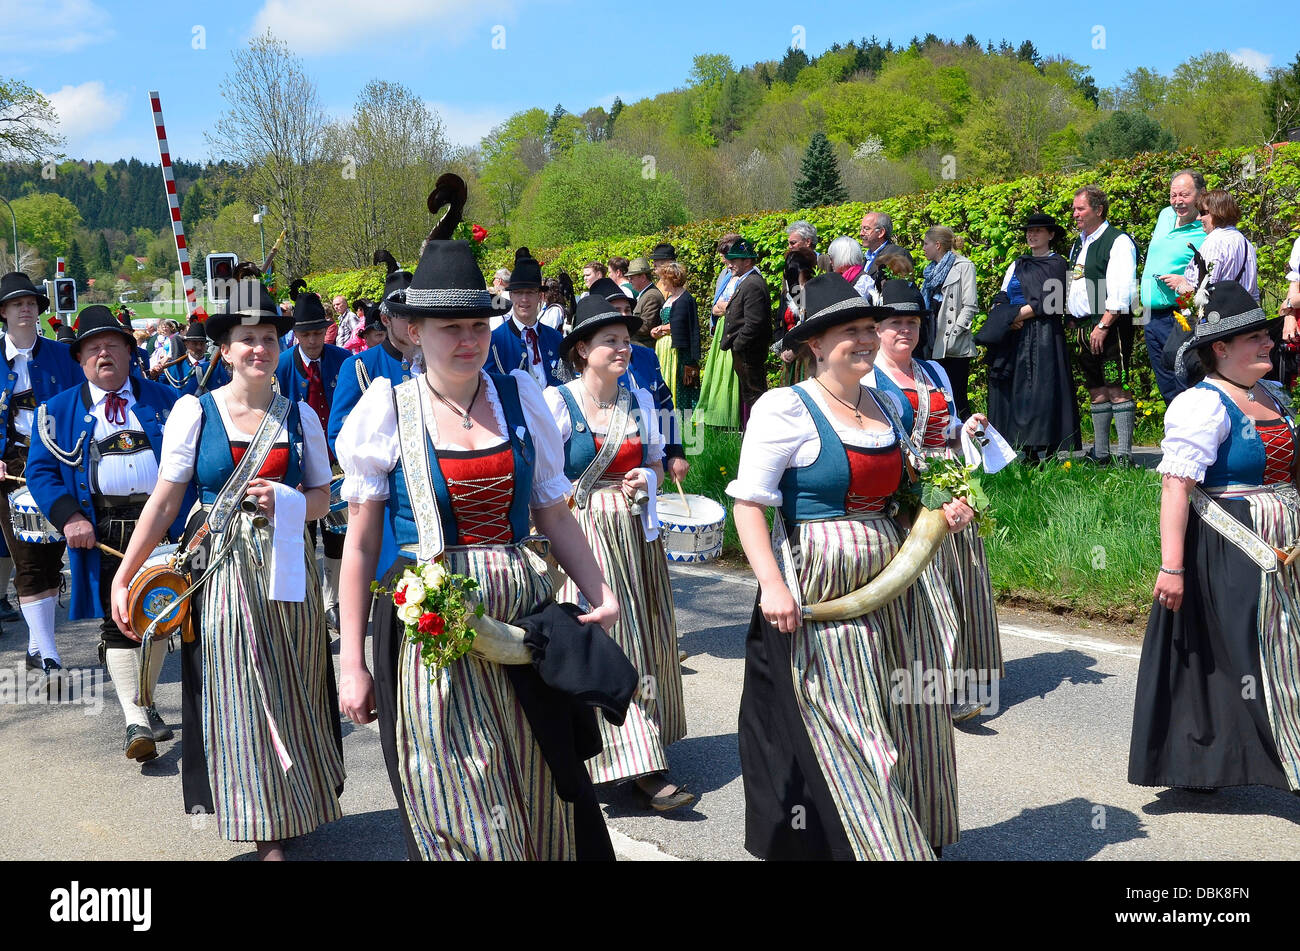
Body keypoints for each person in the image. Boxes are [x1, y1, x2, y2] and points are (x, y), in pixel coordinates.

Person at [334, 237, 626, 860]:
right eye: (450, 328)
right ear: (414, 331)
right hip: (432, 629)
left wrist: (599, 591)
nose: (468, 340)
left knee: (543, 782)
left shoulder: (519, 398)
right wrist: (353, 661)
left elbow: (551, 508)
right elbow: (359, 545)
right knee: (455, 794)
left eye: (477, 325)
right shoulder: (386, 409)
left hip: (524, 625)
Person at [728, 273, 970, 860]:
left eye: (869, 328)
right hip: (824, 585)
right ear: (815, 343)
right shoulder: (784, 407)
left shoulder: (886, 401)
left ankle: (917, 834)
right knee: (855, 727)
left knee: (914, 716)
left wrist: (944, 505)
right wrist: (772, 587)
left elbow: (906, 486)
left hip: (895, 580)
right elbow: (749, 504)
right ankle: (884, 849)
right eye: (849, 331)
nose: (865, 340)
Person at [109, 272, 345, 861]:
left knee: (293, 685)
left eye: (268, 336)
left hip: (287, 570)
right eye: (246, 338)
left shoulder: (301, 418)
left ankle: (294, 804)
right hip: (221, 575)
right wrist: (126, 571)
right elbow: (165, 500)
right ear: (225, 348)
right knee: (238, 690)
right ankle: (261, 824)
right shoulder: (195, 412)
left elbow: (325, 496)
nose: (259, 348)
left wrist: (288, 501)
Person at [1130, 280, 1300, 796]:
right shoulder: (1199, 405)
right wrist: (1173, 567)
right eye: (1255, 338)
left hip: (1286, 543)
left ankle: (1217, 760)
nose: (1268, 343)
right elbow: (1176, 486)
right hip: (1233, 548)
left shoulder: (1273, 394)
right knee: (1259, 652)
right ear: (1220, 350)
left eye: (1266, 335)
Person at [544, 294, 692, 810]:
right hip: (584, 535)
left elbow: (655, 460)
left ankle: (643, 749)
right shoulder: (555, 404)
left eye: (626, 341)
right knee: (612, 639)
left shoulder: (640, 401)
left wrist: (646, 478)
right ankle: (633, 761)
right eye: (610, 341)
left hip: (634, 536)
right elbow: (541, 480)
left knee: (644, 635)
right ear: (582, 349)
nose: (622, 349)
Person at [27, 305, 191, 762]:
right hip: (101, 531)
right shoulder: (55, 413)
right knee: (117, 620)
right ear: (80, 359)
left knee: (157, 619)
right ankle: (136, 719)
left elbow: (194, 463)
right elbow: (41, 472)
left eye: (113, 346)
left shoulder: (168, 401)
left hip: (163, 527)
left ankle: (145, 701)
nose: (104, 355)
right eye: (93, 348)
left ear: (129, 352)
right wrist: (68, 518)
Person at [865, 280, 1001, 721]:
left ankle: (965, 676)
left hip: (953, 481)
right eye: (894, 323)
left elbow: (949, 427)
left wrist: (968, 429)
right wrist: (931, 493)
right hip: (906, 488)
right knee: (929, 588)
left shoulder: (935, 372)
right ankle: (937, 686)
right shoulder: (868, 378)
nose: (904, 330)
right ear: (878, 328)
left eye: (912, 322)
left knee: (963, 580)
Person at [0, 271, 83, 679]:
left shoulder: (61, 357)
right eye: (17, 304)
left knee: (52, 554)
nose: (26, 309)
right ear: (4, 312)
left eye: (31, 302)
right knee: (26, 555)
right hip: (8, 468)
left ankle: (38, 645)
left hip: (56, 462)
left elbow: (81, 406)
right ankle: (49, 655)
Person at [275, 285, 352, 634]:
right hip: (298, 465)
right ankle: (306, 603)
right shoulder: (281, 367)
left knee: (338, 534)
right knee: (301, 534)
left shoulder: (344, 361)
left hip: (337, 462)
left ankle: (333, 600)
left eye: (318, 332)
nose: (313, 340)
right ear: (296, 334)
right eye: (306, 333)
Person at [983, 213, 1081, 461]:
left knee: (1041, 391)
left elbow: (1052, 301)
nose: (1032, 234)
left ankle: (1044, 449)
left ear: (1050, 235)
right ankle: (1021, 448)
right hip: (1014, 336)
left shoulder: (1057, 264)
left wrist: (1015, 316)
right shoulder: (1018, 263)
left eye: (1038, 230)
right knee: (1016, 391)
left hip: (1044, 336)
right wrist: (1004, 314)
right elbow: (1002, 294)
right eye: (1029, 230)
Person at [590, 277, 691, 483]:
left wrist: (676, 452)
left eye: (627, 309)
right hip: (611, 469)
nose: (624, 316)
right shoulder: (592, 365)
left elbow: (665, 406)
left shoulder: (647, 356)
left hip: (651, 463)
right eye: (616, 310)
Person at [1067, 184, 1139, 466]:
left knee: (1116, 386)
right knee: (1095, 389)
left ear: (1098, 209)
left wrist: (1105, 324)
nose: (1075, 214)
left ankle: (1124, 455)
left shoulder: (1117, 241)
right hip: (1084, 327)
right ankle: (1101, 452)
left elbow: (1122, 288)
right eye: (1074, 209)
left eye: (1080, 208)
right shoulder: (1079, 243)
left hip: (1109, 327)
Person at [1140, 170, 1208, 403]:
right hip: (1151, 316)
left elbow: (1214, 275)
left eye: (1184, 195)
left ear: (1201, 195)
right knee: (1166, 385)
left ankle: (1196, 436)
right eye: (1173, 195)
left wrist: (1184, 283)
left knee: (1186, 381)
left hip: (1179, 315)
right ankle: (1176, 436)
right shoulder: (1164, 215)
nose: (1178, 201)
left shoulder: (1206, 229)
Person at [919, 227, 978, 418]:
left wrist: (955, 333)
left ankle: (967, 442)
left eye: (926, 244)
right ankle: (944, 442)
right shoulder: (930, 271)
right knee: (939, 399)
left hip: (954, 345)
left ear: (937, 245)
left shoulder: (964, 266)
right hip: (933, 341)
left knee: (958, 399)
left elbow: (970, 306)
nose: (923, 248)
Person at [486, 248, 566, 388]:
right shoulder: (494, 341)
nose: (524, 299)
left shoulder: (555, 338)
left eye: (530, 292)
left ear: (540, 296)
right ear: (511, 296)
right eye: (518, 292)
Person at [1162, 189, 1259, 303]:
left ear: (1218, 212)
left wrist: (1180, 286)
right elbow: (1254, 294)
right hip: (1247, 313)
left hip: (1221, 317)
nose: (1199, 218)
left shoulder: (1214, 243)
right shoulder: (1245, 243)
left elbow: (1206, 293)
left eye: (1203, 213)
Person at [719, 238, 772, 430]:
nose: (730, 264)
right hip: (745, 352)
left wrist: (738, 344)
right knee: (749, 395)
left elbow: (755, 323)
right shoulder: (747, 281)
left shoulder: (752, 284)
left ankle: (763, 435)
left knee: (755, 397)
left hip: (750, 353)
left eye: (735, 260)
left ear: (747, 261)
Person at [695, 235, 744, 430]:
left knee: (731, 374)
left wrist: (724, 307)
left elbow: (735, 305)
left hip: (734, 328)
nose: (724, 261)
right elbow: (717, 305)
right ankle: (716, 419)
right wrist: (720, 308)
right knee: (717, 375)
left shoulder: (748, 276)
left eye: (726, 256)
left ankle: (731, 421)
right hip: (722, 327)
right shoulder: (724, 275)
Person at [651, 261, 700, 412]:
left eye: (663, 279)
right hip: (665, 347)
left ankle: (683, 420)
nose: (661, 282)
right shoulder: (670, 298)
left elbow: (682, 325)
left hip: (678, 350)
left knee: (680, 383)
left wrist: (661, 328)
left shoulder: (685, 299)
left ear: (671, 279)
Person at [156, 321, 209, 392]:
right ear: (186, 344)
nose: (199, 347)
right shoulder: (173, 367)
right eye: (195, 343)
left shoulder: (214, 366)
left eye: (202, 344)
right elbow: (161, 389)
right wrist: (154, 374)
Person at [629, 257, 662, 348]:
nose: (629, 281)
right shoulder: (646, 295)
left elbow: (645, 327)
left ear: (643, 277)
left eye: (632, 278)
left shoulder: (651, 296)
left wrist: (626, 325)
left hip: (645, 348)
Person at [860, 211, 899, 284]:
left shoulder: (896, 256)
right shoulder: (866, 257)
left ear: (881, 233)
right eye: (861, 229)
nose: (861, 233)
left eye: (866, 229)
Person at [828, 235, 872, 299]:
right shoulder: (839, 278)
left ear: (841, 258)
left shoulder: (863, 281)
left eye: (831, 258)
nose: (830, 262)